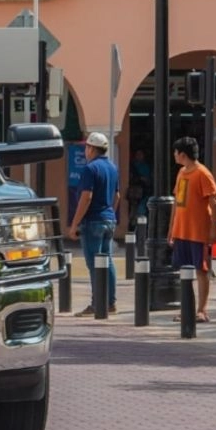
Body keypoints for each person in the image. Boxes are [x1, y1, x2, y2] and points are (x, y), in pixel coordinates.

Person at [167, 136, 216, 323]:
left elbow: (215, 202)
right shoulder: (182, 172)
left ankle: (202, 310)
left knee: (201, 270)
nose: (174, 155)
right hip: (181, 231)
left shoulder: (202, 173)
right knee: (184, 271)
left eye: (175, 152)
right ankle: (187, 309)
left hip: (198, 231)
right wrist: (171, 229)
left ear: (182, 154)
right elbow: (177, 201)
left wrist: (213, 230)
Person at [66, 132, 121, 316]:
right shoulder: (112, 168)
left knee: (94, 264)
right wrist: (110, 212)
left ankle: (97, 304)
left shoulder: (90, 169)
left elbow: (86, 197)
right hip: (109, 219)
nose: (85, 151)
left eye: (86, 147)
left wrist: (75, 224)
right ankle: (111, 302)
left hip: (92, 221)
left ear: (91, 148)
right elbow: (117, 196)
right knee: (107, 261)